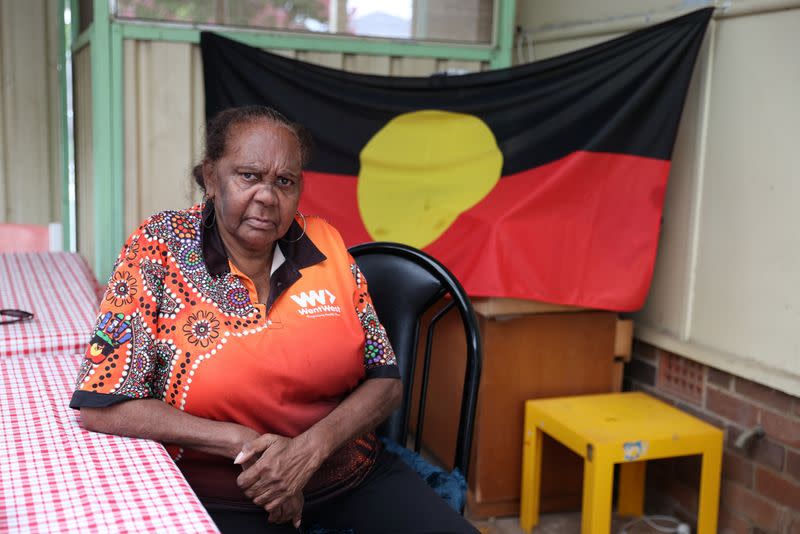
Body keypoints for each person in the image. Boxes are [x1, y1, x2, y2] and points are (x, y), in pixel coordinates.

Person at [70, 105, 477, 534]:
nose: (267, 196)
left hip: (351, 475)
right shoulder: (158, 248)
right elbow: (105, 406)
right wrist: (240, 442)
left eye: (285, 181)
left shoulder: (325, 243)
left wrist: (307, 452)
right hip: (222, 496)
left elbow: (386, 382)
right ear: (210, 176)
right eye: (248, 176)